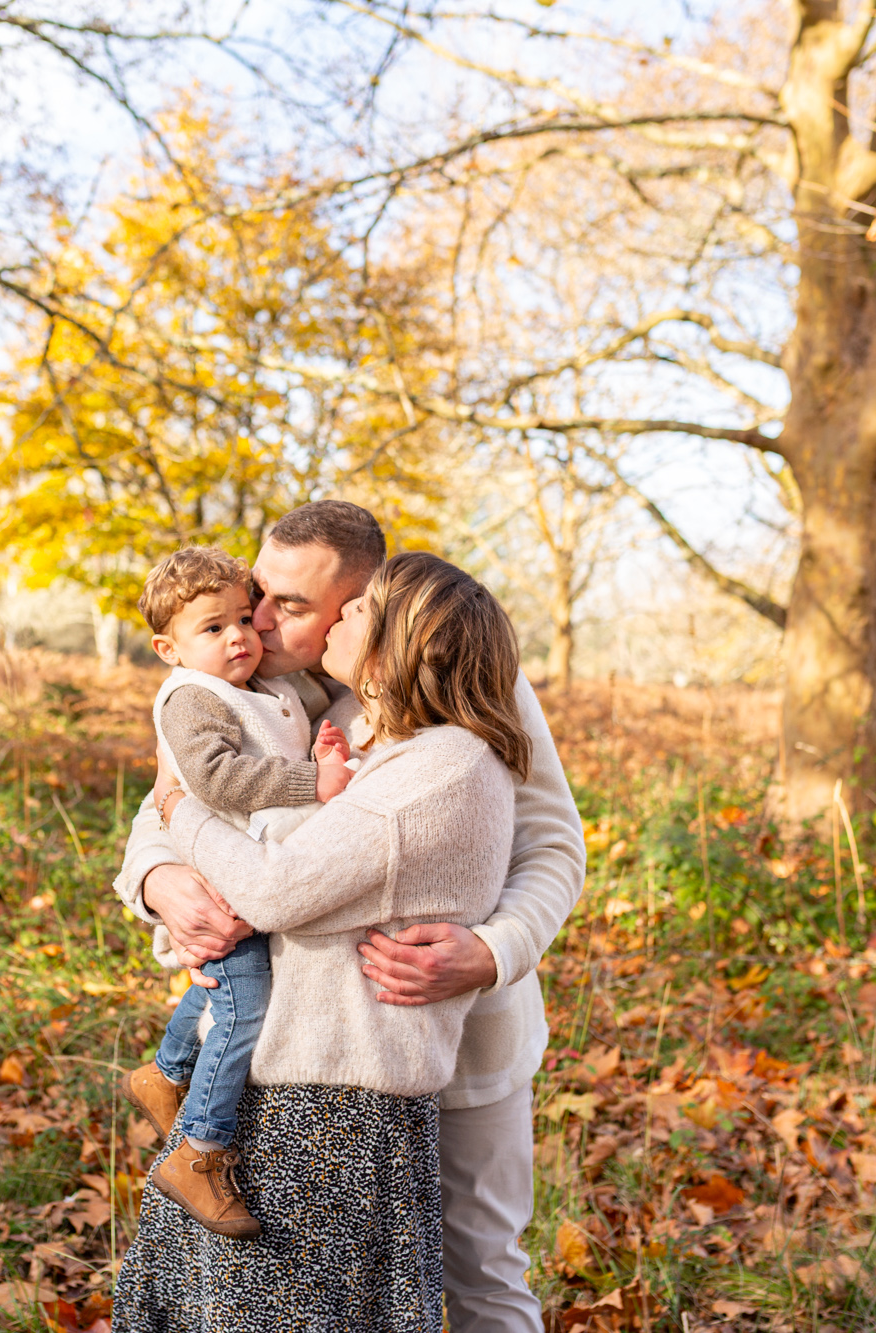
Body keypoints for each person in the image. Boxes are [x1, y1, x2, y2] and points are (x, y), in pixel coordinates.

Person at [113, 499, 585, 1333]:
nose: (256, 617)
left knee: (480, 1268)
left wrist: (492, 949)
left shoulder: (467, 678)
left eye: (289, 605)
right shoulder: (246, 682)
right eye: (260, 591)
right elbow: (175, 800)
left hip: (452, 1027)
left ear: (369, 601)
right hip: (305, 1038)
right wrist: (158, 881)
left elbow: (552, 843)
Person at [119, 544, 355, 1238]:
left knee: (224, 989)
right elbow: (218, 778)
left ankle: (164, 1072)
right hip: (224, 881)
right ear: (168, 647)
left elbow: (310, 713)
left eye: (242, 620)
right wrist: (314, 783)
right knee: (244, 1004)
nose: (238, 638)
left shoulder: (270, 688)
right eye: (212, 628)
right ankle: (200, 1147)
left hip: (261, 881)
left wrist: (326, 748)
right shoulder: (192, 697)